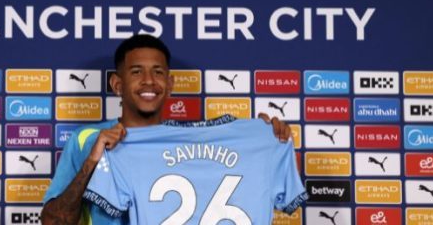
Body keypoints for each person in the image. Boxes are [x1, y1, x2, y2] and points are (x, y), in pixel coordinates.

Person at [41, 34, 293, 225]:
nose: (149, 81)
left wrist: (266, 139)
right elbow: (53, 221)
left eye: (158, 72)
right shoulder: (86, 140)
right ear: (117, 84)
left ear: (170, 84)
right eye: (137, 72)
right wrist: (92, 161)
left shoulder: (195, 145)